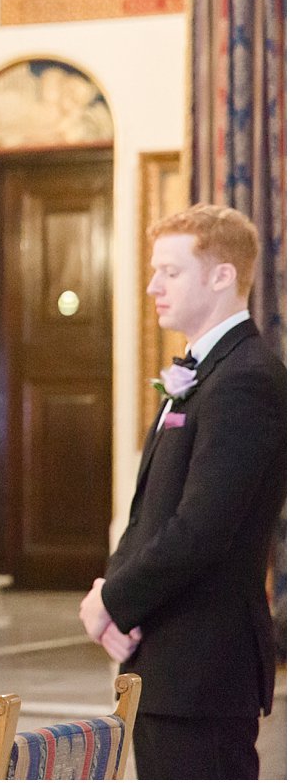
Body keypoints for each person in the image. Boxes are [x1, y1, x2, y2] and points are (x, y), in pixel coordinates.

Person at [79, 203, 285, 780]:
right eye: (153, 271)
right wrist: (113, 600)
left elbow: (202, 529)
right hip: (166, 657)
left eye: (169, 272)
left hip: (204, 662)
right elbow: (150, 511)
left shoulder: (246, 379)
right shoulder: (205, 371)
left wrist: (111, 603)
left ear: (222, 276)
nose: (152, 286)